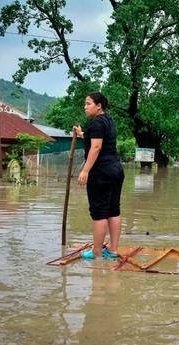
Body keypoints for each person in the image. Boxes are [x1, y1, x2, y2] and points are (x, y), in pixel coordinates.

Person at [73, 91, 125, 260]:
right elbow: (98, 139)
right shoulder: (108, 120)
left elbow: (96, 147)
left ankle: (96, 252)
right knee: (113, 210)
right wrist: (82, 135)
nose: (85, 107)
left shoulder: (96, 123)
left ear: (98, 105)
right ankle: (113, 250)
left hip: (101, 171)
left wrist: (85, 170)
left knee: (99, 213)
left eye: (88, 104)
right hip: (116, 169)